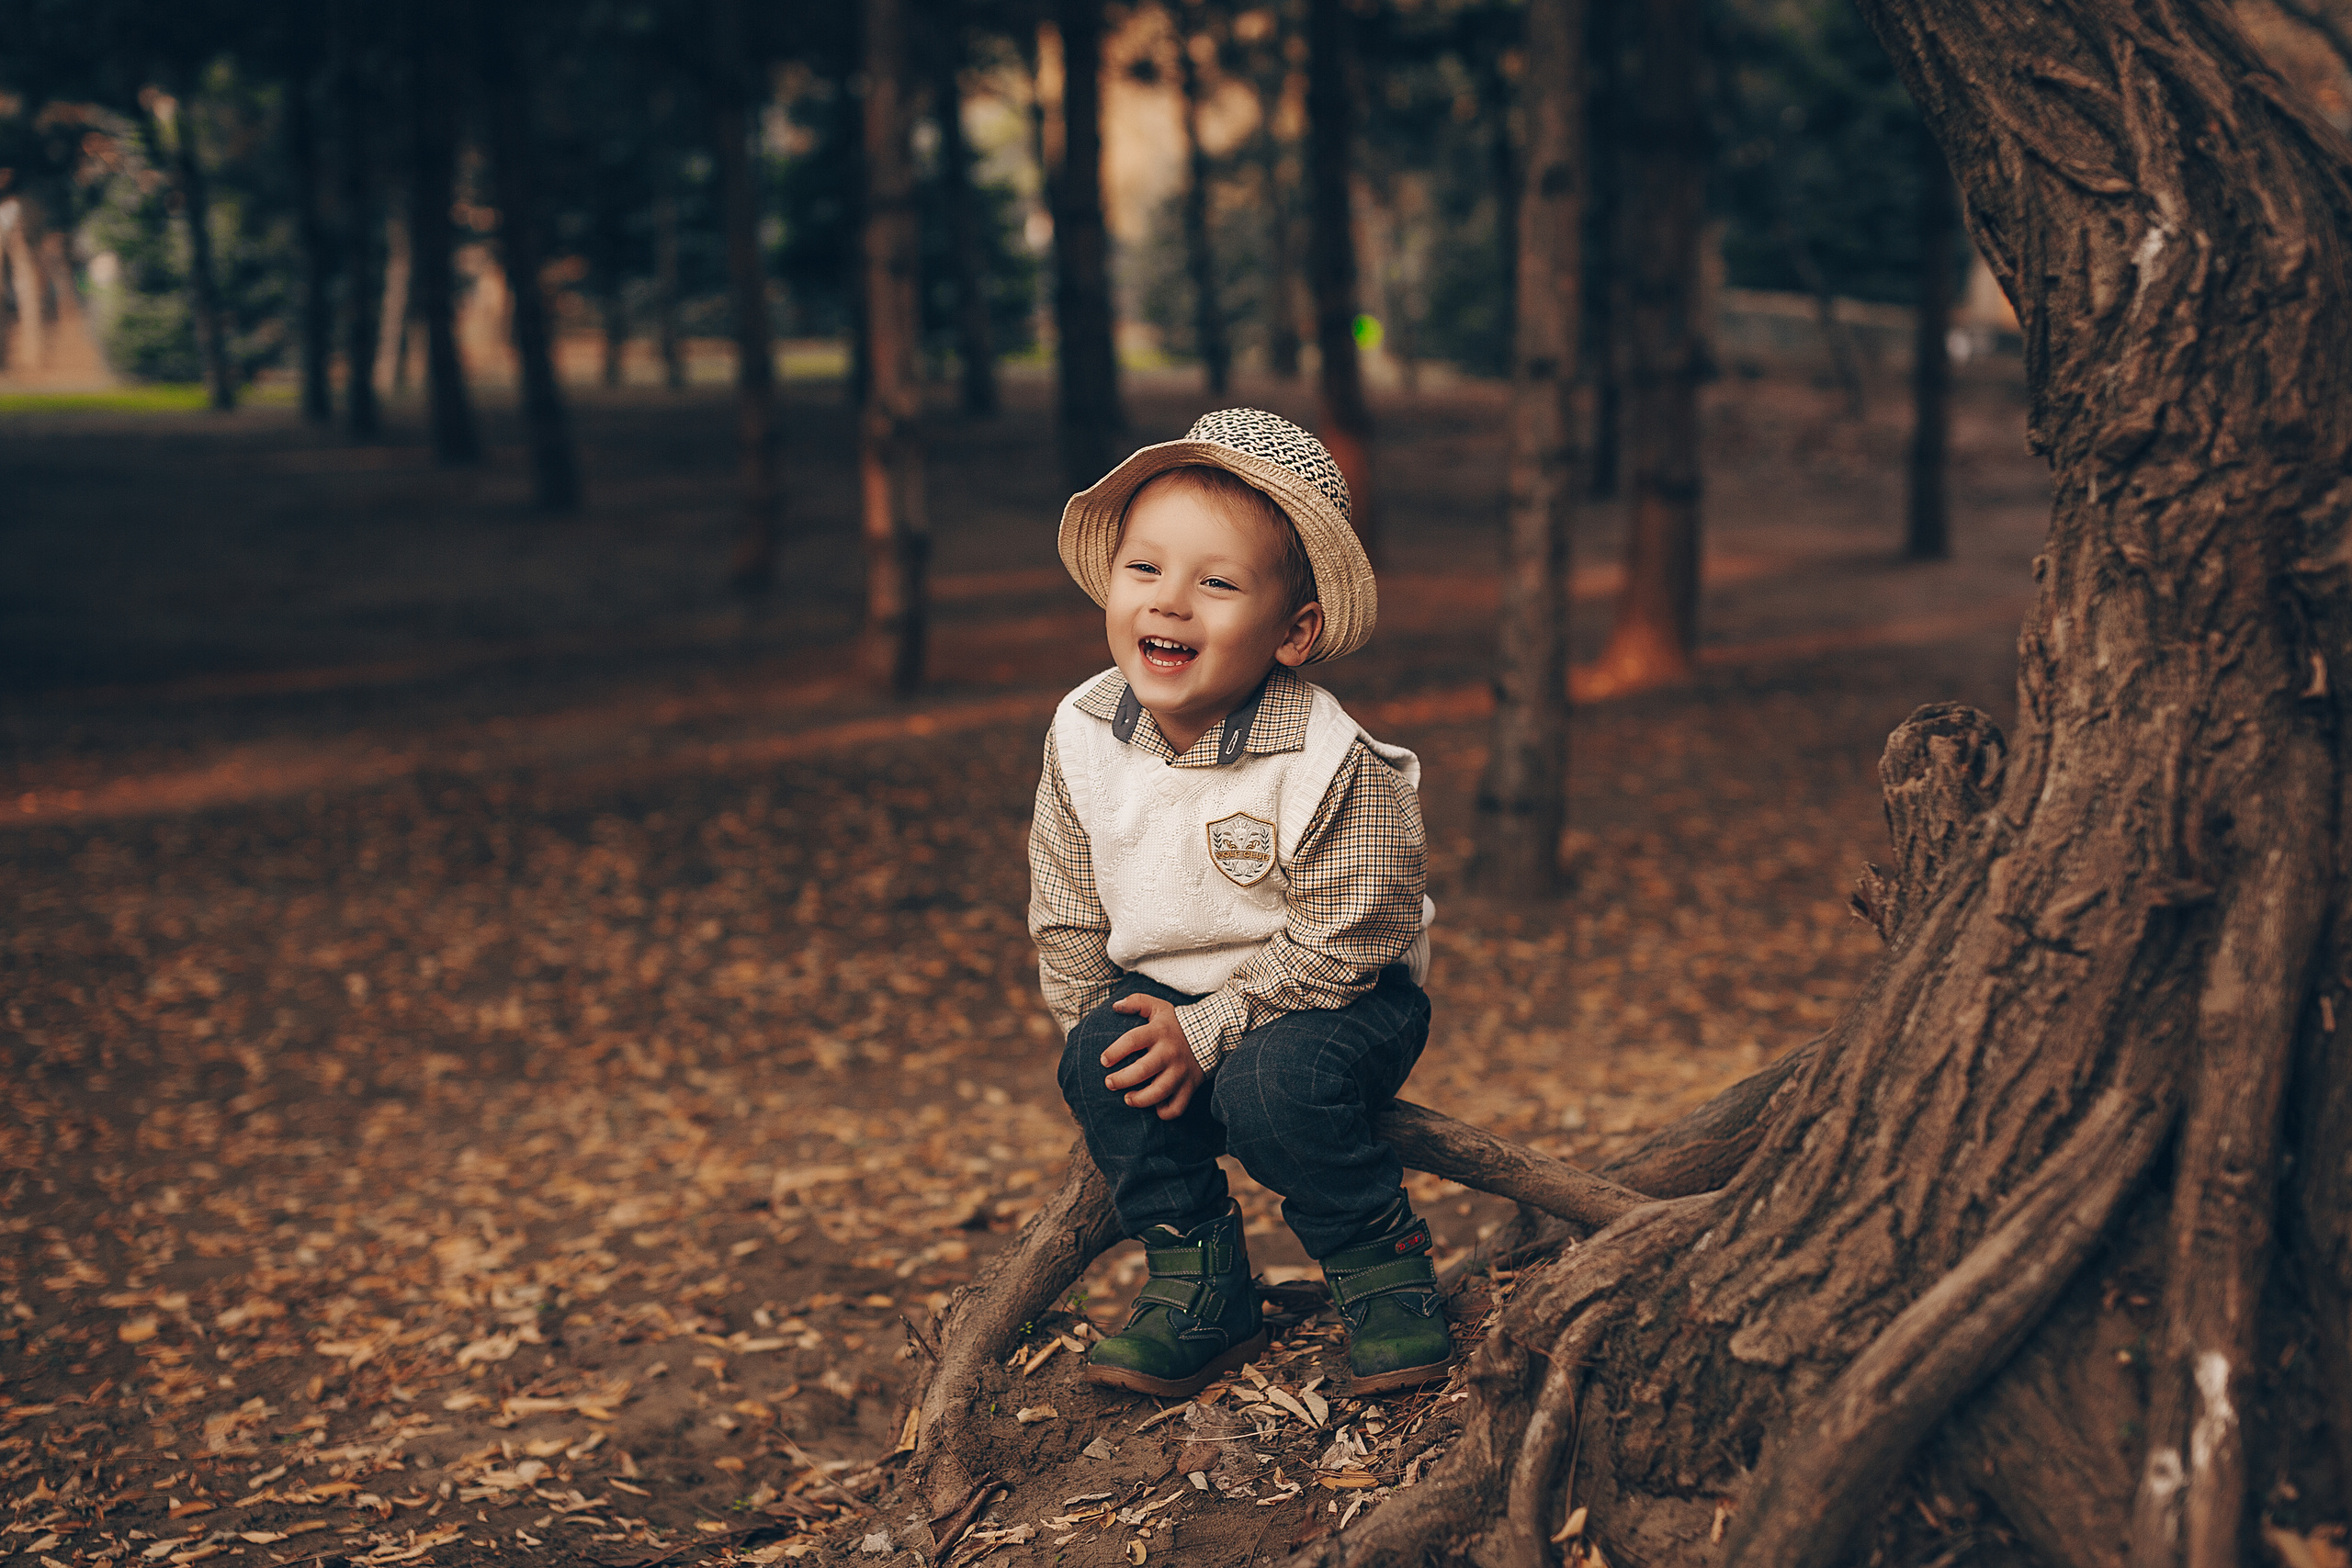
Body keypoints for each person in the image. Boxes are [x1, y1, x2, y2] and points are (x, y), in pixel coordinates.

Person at [1029, 407, 1448, 1398]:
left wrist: (1207, 1036)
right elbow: (1070, 905)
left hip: (1337, 996)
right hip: (1164, 988)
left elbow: (1352, 939)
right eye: (1145, 570)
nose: (1169, 603)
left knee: (1274, 1085)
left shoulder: (1326, 761)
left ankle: (1381, 1266)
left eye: (1216, 584)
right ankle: (1199, 1279)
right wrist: (1114, 1040)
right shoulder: (1083, 730)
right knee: (1099, 1059)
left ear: (1292, 632)